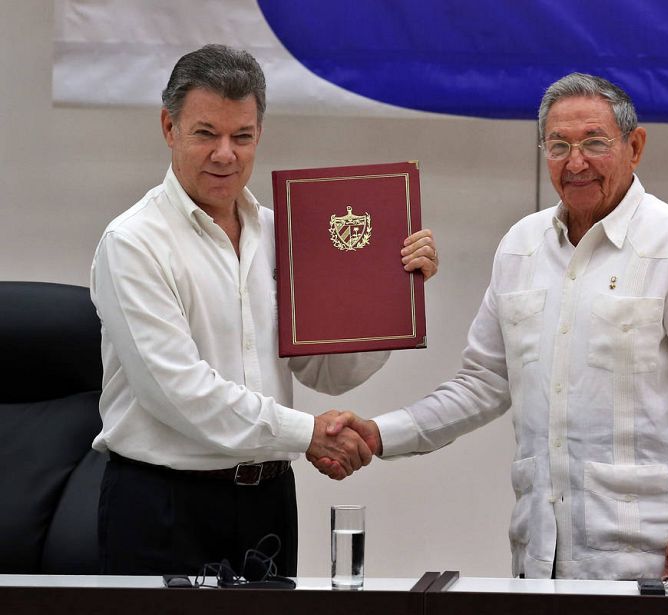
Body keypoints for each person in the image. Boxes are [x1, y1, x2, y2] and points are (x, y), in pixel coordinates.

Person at [319, 73, 668, 581]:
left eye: (594, 142)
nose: (576, 161)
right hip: (540, 555)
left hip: (653, 556)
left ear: (635, 146)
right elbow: (482, 384)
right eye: (559, 144)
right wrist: (380, 433)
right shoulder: (521, 246)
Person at [89, 44, 438, 576]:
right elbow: (178, 393)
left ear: (259, 134)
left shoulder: (284, 232)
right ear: (169, 127)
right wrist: (308, 433)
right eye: (206, 133)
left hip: (268, 503)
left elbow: (328, 370)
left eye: (242, 136)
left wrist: (390, 294)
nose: (225, 154)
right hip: (162, 506)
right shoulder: (133, 242)